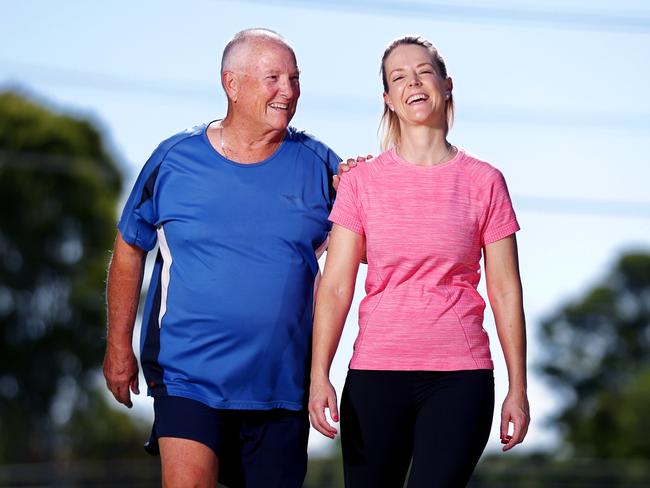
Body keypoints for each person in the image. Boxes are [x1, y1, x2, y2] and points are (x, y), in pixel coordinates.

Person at [103, 28, 346, 488]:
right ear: (231, 84)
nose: (288, 91)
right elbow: (130, 245)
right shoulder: (175, 159)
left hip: (281, 387)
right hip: (187, 376)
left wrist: (371, 186)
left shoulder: (320, 166)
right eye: (273, 78)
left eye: (294, 79)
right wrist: (118, 345)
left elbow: (373, 243)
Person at [308, 35, 530, 487]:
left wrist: (518, 388)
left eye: (424, 71)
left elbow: (505, 290)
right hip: (374, 376)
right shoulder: (360, 183)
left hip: (461, 378)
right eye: (399, 76)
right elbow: (335, 286)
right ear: (388, 99)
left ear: (447, 85)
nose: (414, 82)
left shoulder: (485, 182)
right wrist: (319, 374)